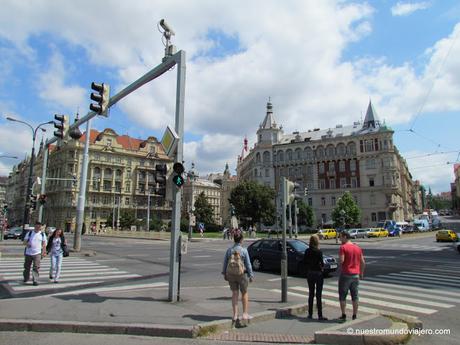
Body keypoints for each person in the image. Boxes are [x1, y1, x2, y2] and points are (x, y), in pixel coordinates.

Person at [222, 229, 254, 327]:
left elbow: (225, 263)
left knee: (234, 293)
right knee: (244, 293)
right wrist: (251, 275)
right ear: (241, 239)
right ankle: (244, 313)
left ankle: (235, 315)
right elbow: (248, 264)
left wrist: (224, 273)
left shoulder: (229, 250)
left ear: (234, 239)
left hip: (231, 274)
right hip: (242, 274)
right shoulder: (244, 250)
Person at [338, 231, 365, 321]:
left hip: (346, 274)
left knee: (342, 295)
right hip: (356, 275)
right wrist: (361, 273)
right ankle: (354, 315)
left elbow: (342, 261)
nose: (340, 239)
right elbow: (363, 262)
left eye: (341, 237)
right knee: (355, 296)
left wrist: (339, 261)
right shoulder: (357, 248)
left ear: (345, 237)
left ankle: (343, 314)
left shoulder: (343, 247)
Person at [304, 234, 327, 320]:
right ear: (317, 241)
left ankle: (310, 314)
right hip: (318, 273)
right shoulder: (318, 251)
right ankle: (320, 315)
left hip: (310, 273)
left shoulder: (307, 251)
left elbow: (304, 261)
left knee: (311, 293)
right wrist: (321, 268)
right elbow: (322, 263)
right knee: (318, 294)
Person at [23, 221, 47, 286]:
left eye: (39, 226)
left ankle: (35, 280)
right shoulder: (30, 233)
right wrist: (27, 244)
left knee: (36, 267)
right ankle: (26, 278)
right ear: (35, 226)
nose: (38, 227)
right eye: (36, 226)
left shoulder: (42, 234)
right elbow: (24, 241)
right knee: (27, 267)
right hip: (28, 253)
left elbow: (44, 244)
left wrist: (44, 252)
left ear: (40, 227)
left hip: (37, 253)